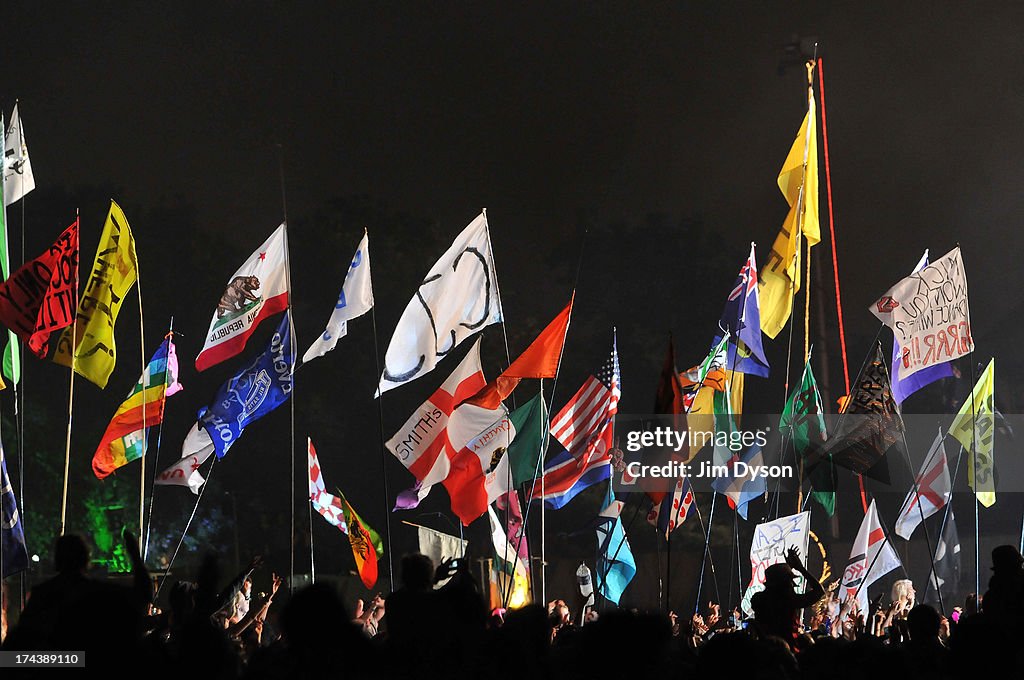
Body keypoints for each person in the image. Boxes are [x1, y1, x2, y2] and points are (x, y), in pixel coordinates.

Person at [750, 546, 825, 651]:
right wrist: (800, 568)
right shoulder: (788, 601)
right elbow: (819, 591)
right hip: (787, 650)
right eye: (790, 581)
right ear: (783, 584)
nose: (793, 585)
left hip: (765, 650)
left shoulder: (758, 599)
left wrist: (787, 567)